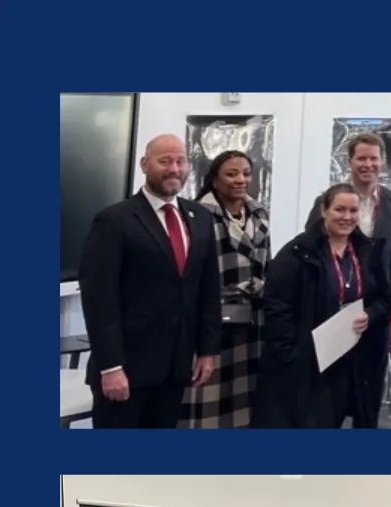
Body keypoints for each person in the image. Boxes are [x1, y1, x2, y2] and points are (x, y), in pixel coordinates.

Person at [78, 133, 221, 428]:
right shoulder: (115, 220)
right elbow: (99, 299)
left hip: (176, 368)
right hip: (126, 371)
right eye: (164, 161)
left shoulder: (200, 217)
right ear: (145, 165)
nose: (174, 169)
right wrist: (111, 366)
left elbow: (207, 289)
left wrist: (207, 350)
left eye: (180, 161)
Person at [259, 184, 391, 428]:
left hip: (352, 356)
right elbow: (277, 306)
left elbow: (386, 298)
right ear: (324, 210)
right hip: (309, 360)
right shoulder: (297, 253)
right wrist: (291, 354)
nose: (347, 217)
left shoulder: (368, 251)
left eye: (353, 210)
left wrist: (370, 314)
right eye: (339, 209)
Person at [304, 132, 391, 428]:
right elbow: (311, 249)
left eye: (374, 158)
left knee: (368, 395)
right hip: (334, 307)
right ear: (349, 161)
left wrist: (390, 300)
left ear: (383, 162)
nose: (368, 164)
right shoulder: (328, 201)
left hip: (376, 311)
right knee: (329, 393)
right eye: (361, 158)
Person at [188, 149, 269, 428]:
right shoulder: (197, 214)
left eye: (246, 173)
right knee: (209, 393)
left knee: (245, 396)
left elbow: (266, 263)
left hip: (253, 319)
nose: (240, 180)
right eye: (231, 174)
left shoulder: (259, 212)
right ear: (214, 179)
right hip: (213, 316)